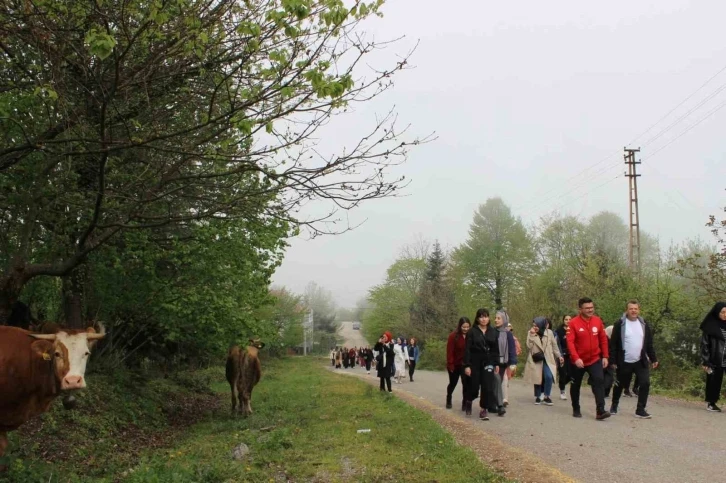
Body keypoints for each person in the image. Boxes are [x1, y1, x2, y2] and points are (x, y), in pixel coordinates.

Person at [609, 300, 658, 419]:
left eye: (635, 309)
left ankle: (640, 409)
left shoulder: (644, 323)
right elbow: (613, 344)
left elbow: (649, 343)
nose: (633, 311)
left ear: (639, 310)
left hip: (640, 360)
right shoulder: (620, 323)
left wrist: (653, 358)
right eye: (631, 309)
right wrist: (613, 360)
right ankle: (614, 405)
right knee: (621, 384)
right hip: (624, 360)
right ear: (627, 310)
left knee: (645, 383)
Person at [566, 297, 610, 420]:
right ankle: (576, 408)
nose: (590, 310)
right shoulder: (573, 323)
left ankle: (600, 411)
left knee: (599, 381)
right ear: (580, 309)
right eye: (587, 308)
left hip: (594, 359)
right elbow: (570, 342)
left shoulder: (597, 321)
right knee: (576, 385)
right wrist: (576, 358)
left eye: (591, 307)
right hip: (578, 361)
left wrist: (605, 356)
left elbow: (603, 339)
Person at [464, 308, 502, 420]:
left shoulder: (493, 331)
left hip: (488, 362)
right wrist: (467, 365)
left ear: (488, 318)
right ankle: (469, 400)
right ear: (477, 318)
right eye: (481, 317)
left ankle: (483, 409)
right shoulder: (472, 332)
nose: (483, 319)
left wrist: (496, 363)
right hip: (475, 362)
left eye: (485, 316)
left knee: (487, 386)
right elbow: (467, 349)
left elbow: (495, 349)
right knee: (474, 386)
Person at [524, 316, 563, 406]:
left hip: (548, 358)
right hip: (536, 358)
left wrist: (559, 356)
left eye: (537, 325)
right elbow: (529, 346)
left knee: (549, 376)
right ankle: (538, 396)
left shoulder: (549, 333)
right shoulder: (531, 333)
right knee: (537, 377)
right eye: (533, 325)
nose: (535, 327)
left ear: (541, 325)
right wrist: (532, 335)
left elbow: (554, 346)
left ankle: (547, 396)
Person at [700, 301, 726, 412]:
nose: (725, 315)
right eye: (723, 312)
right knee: (714, 381)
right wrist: (706, 361)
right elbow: (704, 345)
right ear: (717, 313)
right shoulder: (710, 326)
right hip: (715, 359)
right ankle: (711, 403)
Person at [446, 317, 471, 410]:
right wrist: (450, 364)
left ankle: (464, 402)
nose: (466, 329)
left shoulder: (471, 335)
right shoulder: (453, 336)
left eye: (467, 327)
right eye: (464, 327)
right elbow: (450, 352)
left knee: (466, 384)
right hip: (455, 364)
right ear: (460, 326)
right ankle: (449, 397)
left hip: (466, 365)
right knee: (453, 383)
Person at [494, 311, 518, 407]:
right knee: (494, 381)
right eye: (495, 318)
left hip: (503, 362)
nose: (496, 320)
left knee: (499, 381)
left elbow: (512, 348)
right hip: (492, 361)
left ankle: (498, 402)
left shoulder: (508, 334)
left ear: (504, 320)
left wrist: (513, 362)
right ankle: (494, 401)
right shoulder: (492, 331)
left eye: (498, 318)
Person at [555, 314, 573, 400]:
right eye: (566, 319)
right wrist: (559, 355)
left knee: (571, 374)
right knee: (562, 373)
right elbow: (557, 344)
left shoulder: (574, 329)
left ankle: (562, 384)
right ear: (563, 320)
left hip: (572, 355)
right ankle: (562, 390)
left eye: (570, 319)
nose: (568, 321)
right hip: (562, 355)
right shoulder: (559, 331)